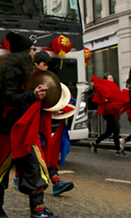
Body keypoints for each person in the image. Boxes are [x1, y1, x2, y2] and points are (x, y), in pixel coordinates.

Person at [0, 31, 60, 218]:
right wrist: (32, 95)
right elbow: (10, 99)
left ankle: (38, 211)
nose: (34, 53)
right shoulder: (10, 72)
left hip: (25, 130)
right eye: (32, 49)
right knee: (0, 171)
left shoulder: (25, 70)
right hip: (8, 130)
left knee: (36, 167)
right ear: (24, 52)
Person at [31, 50, 74, 196]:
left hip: (43, 121)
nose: (46, 68)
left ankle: (55, 181)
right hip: (31, 122)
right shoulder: (29, 79)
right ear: (36, 64)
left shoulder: (45, 79)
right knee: (34, 154)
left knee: (45, 151)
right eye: (44, 65)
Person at [90, 73, 126, 157]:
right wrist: (104, 99)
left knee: (109, 132)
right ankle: (118, 150)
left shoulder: (114, 86)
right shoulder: (103, 87)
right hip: (107, 111)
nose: (112, 79)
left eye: (112, 78)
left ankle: (95, 143)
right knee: (115, 129)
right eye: (110, 78)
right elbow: (100, 94)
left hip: (113, 110)